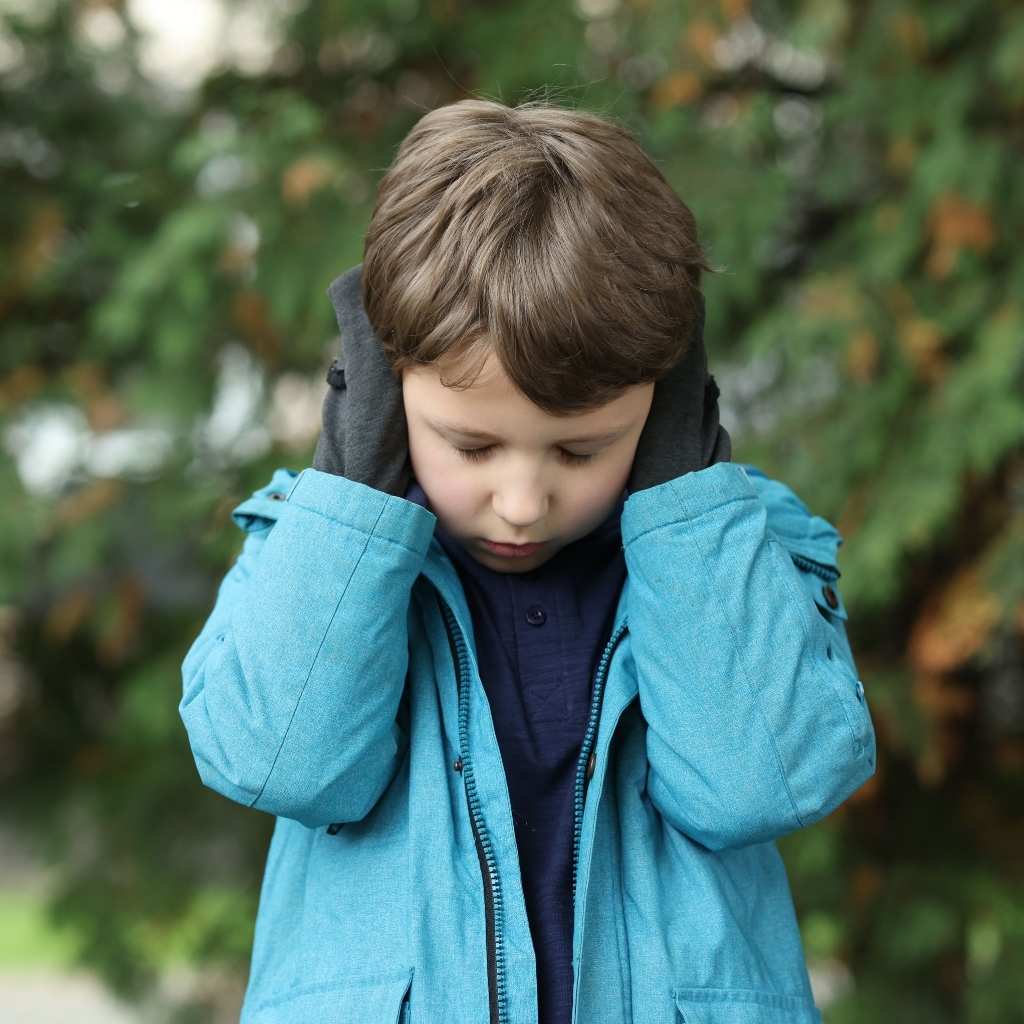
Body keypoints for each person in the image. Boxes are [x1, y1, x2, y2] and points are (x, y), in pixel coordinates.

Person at [179, 98, 876, 1024]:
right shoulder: (316, 542)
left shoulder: (734, 547)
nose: (521, 502)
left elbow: (755, 782)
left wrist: (680, 490)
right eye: (470, 447)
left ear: (663, 402)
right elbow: (281, 762)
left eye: (581, 450)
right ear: (389, 383)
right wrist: (355, 485)